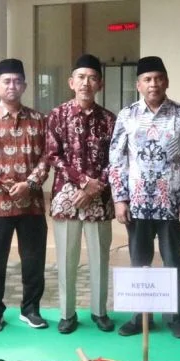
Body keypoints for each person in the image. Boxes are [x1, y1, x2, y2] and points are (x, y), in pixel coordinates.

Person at [109, 55, 180, 339]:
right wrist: (119, 198)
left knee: (173, 260)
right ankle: (139, 317)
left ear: (167, 82)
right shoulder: (126, 116)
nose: (154, 84)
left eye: (159, 78)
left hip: (172, 204)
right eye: (147, 80)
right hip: (137, 204)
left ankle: (175, 317)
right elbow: (116, 159)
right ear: (138, 84)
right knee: (140, 261)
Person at [0, 58, 50, 332]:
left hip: (31, 204)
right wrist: (11, 185)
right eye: (6, 81)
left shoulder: (39, 120)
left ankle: (31, 309)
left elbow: (47, 156)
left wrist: (29, 184)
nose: (12, 86)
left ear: (25, 85)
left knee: (33, 260)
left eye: (17, 81)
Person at [46, 54, 117, 334]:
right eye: (81, 77)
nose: (86, 83)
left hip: (99, 197)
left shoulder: (110, 120)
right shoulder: (57, 116)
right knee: (67, 257)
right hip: (67, 196)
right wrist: (82, 183)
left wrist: (95, 185)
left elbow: (117, 160)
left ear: (99, 83)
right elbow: (54, 155)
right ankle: (67, 313)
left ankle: (100, 311)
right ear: (71, 82)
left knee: (100, 257)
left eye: (92, 78)